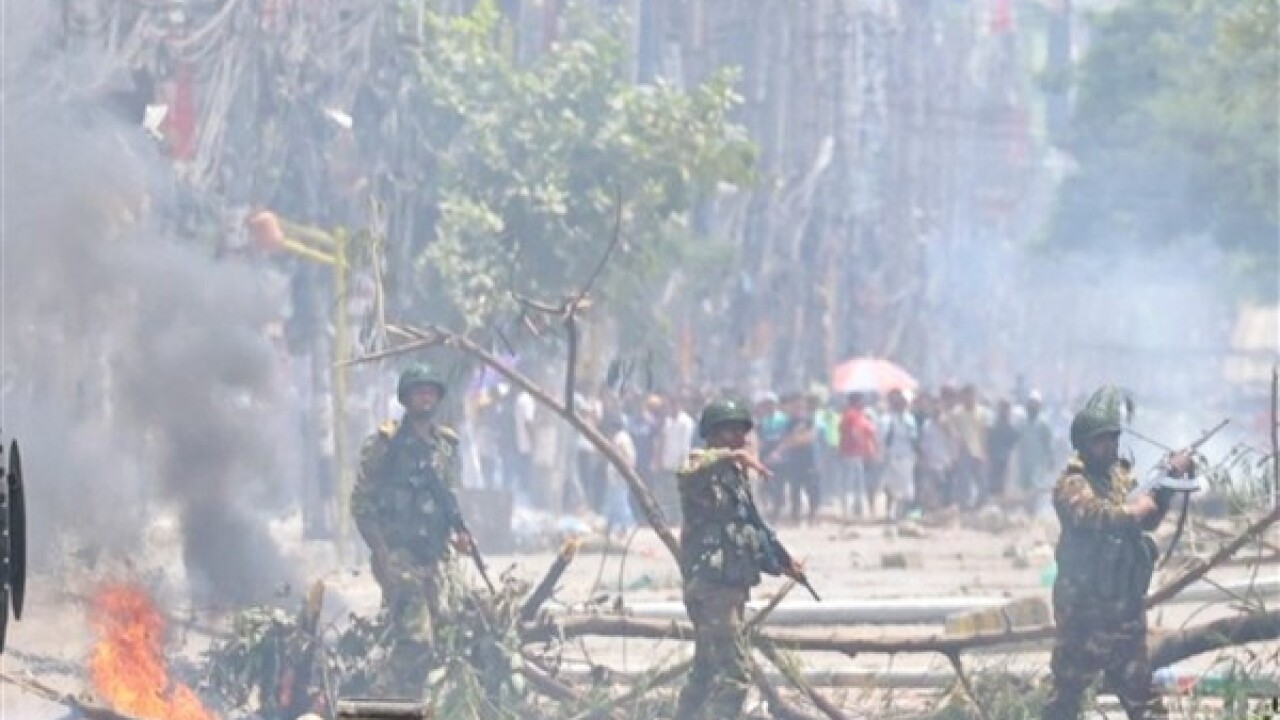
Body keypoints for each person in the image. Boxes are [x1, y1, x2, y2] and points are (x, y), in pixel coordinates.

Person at [1043, 389, 1191, 720]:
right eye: (1101, 440)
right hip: (1083, 616)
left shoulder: (1120, 480)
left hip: (1124, 615)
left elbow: (1146, 520)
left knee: (1145, 704)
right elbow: (1097, 515)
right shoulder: (1072, 483)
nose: (1109, 447)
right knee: (1064, 702)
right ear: (1084, 444)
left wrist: (1166, 485)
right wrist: (1135, 509)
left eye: (1113, 439)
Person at [674, 398, 802, 720]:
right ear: (713, 434)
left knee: (705, 669)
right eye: (731, 431)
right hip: (710, 586)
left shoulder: (735, 477)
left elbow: (752, 527)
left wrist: (783, 561)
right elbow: (688, 471)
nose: (740, 439)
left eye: (741, 432)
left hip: (730, 585)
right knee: (735, 673)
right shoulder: (700, 466)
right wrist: (731, 456)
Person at [351, 364, 475, 697]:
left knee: (439, 639)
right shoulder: (385, 444)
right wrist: (382, 552)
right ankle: (376, 700)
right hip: (398, 555)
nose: (426, 397)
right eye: (419, 391)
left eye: (431, 391)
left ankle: (407, 702)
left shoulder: (445, 446)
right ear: (405, 398)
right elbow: (361, 503)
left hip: (434, 558)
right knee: (418, 639)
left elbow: (447, 499)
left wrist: (460, 535)